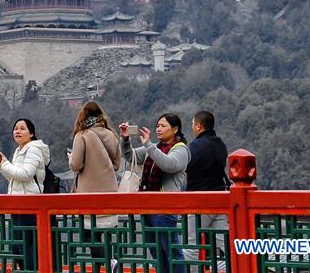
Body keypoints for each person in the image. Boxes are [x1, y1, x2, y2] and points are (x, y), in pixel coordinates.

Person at [120, 114, 190, 273]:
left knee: (172, 251)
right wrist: (125, 140)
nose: (159, 129)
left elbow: (169, 164)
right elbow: (130, 156)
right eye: (158, 125)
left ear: (175, 129)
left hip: (165, 209)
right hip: (147, 207)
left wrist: (149, 146)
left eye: (163, 126)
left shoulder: (181, 149)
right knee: (156, 253)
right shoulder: (153, 148)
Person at [69, 102, 121, 272]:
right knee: (105, 235)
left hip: (88, 194)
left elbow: (76, 165)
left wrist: (71, 158)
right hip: (110, 193)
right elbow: (117, 164)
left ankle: (108, 262)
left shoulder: (82, 135)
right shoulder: (111, 134)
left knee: (89, 236)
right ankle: (110, 261)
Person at [0, 118, 50, 271]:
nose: (17, 131)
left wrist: (6, 164)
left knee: (25, 245)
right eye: (15, 128)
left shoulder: (33, 149)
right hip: (17, 203)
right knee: (16, 246)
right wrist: (2, 166)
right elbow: (16, 179)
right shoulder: (19, 150)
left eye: (22, 128)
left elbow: (26, 174)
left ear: (31, 133)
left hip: (29, 204)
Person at [182, 111, 229, 272]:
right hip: (220, 199)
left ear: (198, 126)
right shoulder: (220, 144)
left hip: (199, 201)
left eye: (193, 125)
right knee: (225, 242)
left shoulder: (195, 147)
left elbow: (183, 166)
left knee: (191, 245)